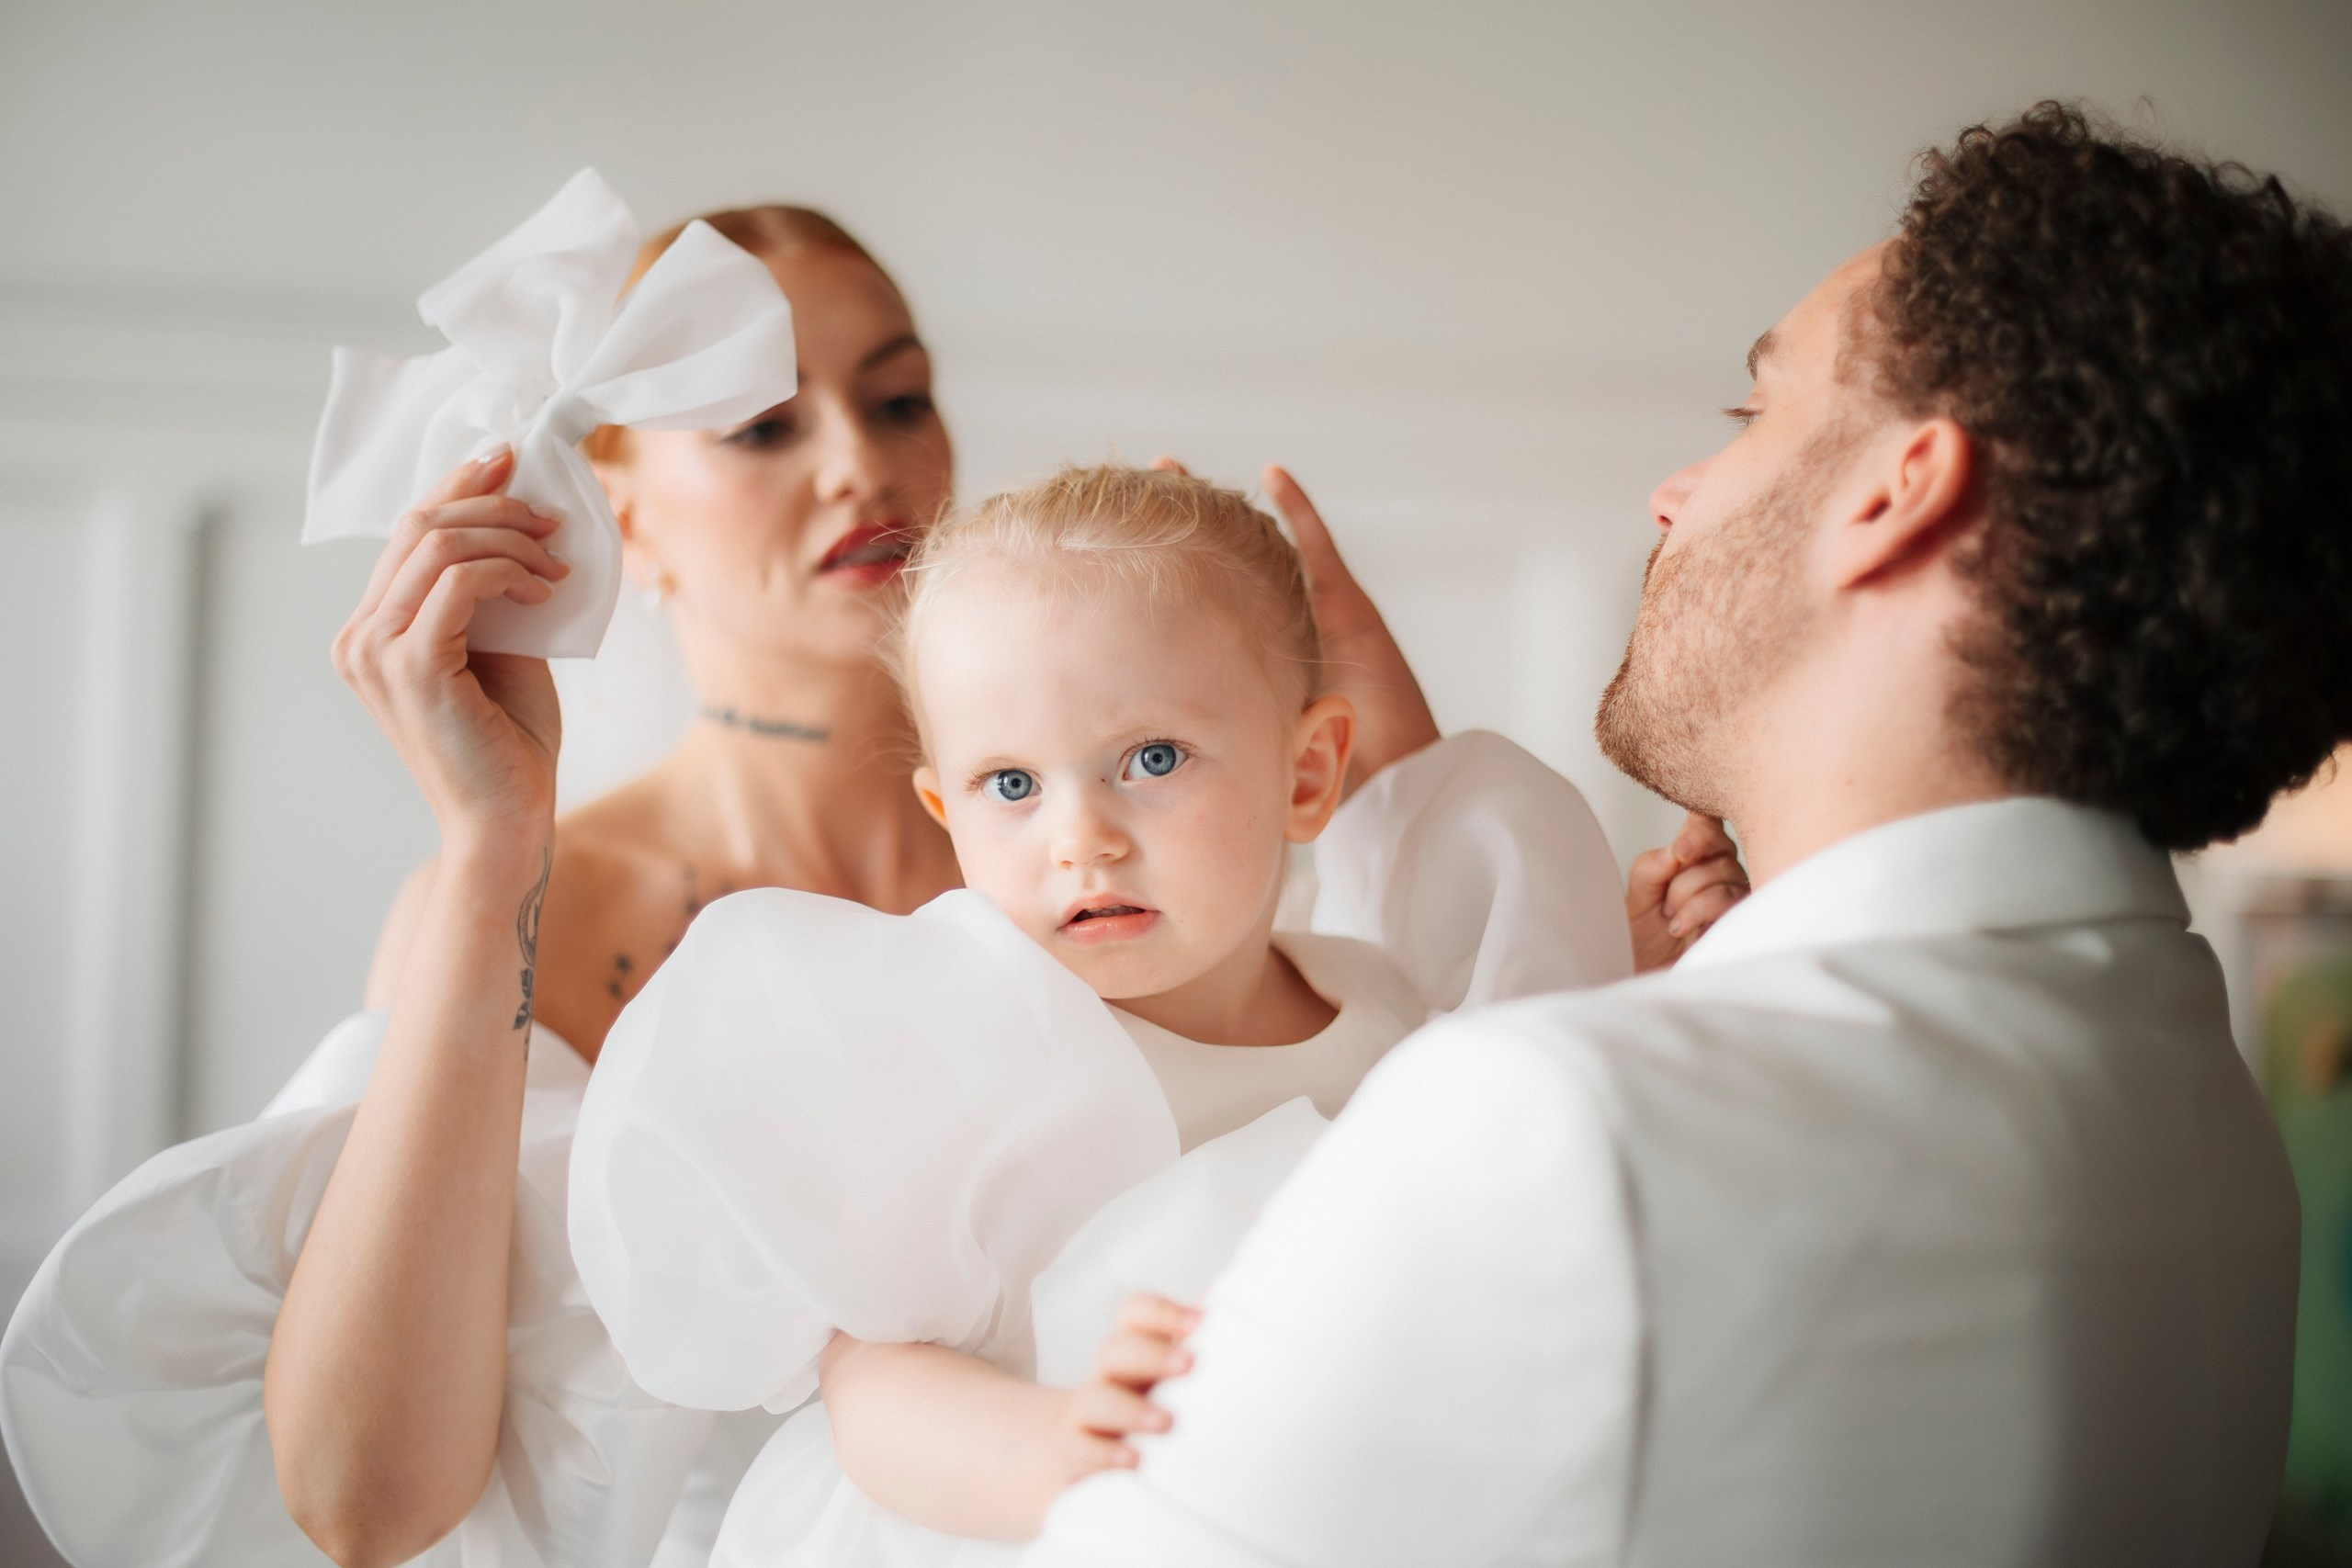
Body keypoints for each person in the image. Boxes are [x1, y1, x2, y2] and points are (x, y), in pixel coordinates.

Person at [0, 205, 1747, 1566]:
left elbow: (1448, 1096)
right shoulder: (573, 906)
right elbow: (362, 1508)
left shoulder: (1171, 845)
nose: (863, 461)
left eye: (899, 395)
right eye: (761, 421)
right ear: (622, 513)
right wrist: (486, 856)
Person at [1024, 101, 2352, 1566]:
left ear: (1897, 491)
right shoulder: (2211, 1119)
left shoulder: (1551, 1130)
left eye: (1751, 417)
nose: (1675, 491)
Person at [567, 465, 1636, 1562]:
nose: (1081, 839)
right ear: (947, 810)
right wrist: (1051, 1445)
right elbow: (870, 1388)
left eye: (1152, 759)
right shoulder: (961, 1052)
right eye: (1013, 786)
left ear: (1306, 773)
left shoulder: (1384, 998)